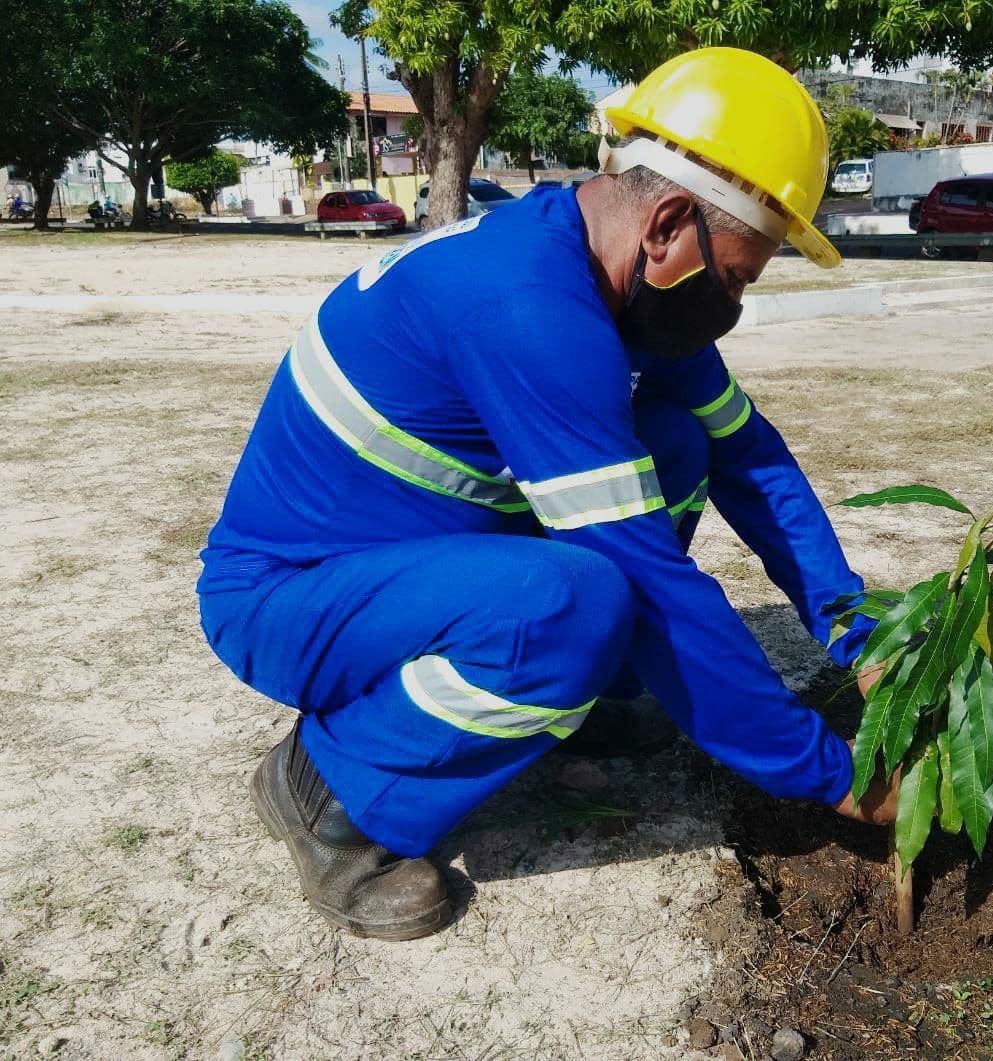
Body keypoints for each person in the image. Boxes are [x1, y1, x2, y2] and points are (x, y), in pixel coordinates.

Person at [198, 47, 894, 943]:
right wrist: (829, 774)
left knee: (677, 444)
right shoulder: (529, 308)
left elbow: (749, 459)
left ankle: (577, 690)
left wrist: (860, 635)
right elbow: (645, 580)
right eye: (737, 276)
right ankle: (332, 789)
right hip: (290, 595)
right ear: (670, 223)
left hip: (410, 556)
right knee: (585, 600)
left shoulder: (611, 282)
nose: (731, 306)